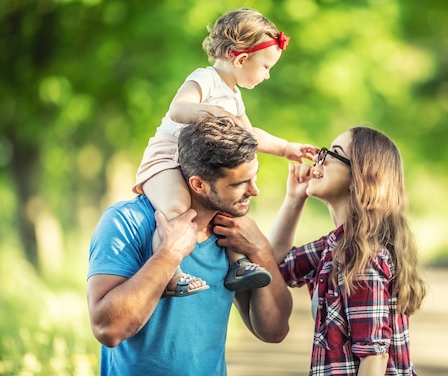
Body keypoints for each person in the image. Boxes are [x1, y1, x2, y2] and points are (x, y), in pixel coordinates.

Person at [87, 115, 293, 375]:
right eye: (239, 183)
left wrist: (261, 251)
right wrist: (169, 255)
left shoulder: (233, 238)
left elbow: (274, 331)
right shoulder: (126, 222)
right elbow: (108, 329)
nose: (254, 190)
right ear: (198, 184)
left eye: (254, 177)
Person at [213, 126, 427, 375]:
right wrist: (294, 200)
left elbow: (374, 360)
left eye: (331, 154)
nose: (317, 160)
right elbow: (277, 267)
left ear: (361, 176)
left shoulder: (362, 258)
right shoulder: (335, 246)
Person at [132, 7, 317, 295]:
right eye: (266, 67)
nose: (267, 76)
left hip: (201, 167)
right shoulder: (205, 79)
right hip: (168, 157)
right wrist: (210, 111)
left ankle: (239, 264)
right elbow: (178, 109)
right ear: (242, 58)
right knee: (176, 209)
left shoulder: (234, 96)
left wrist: (285, 148)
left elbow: (250, 135)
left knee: (229, 214)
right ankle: (170, 272)